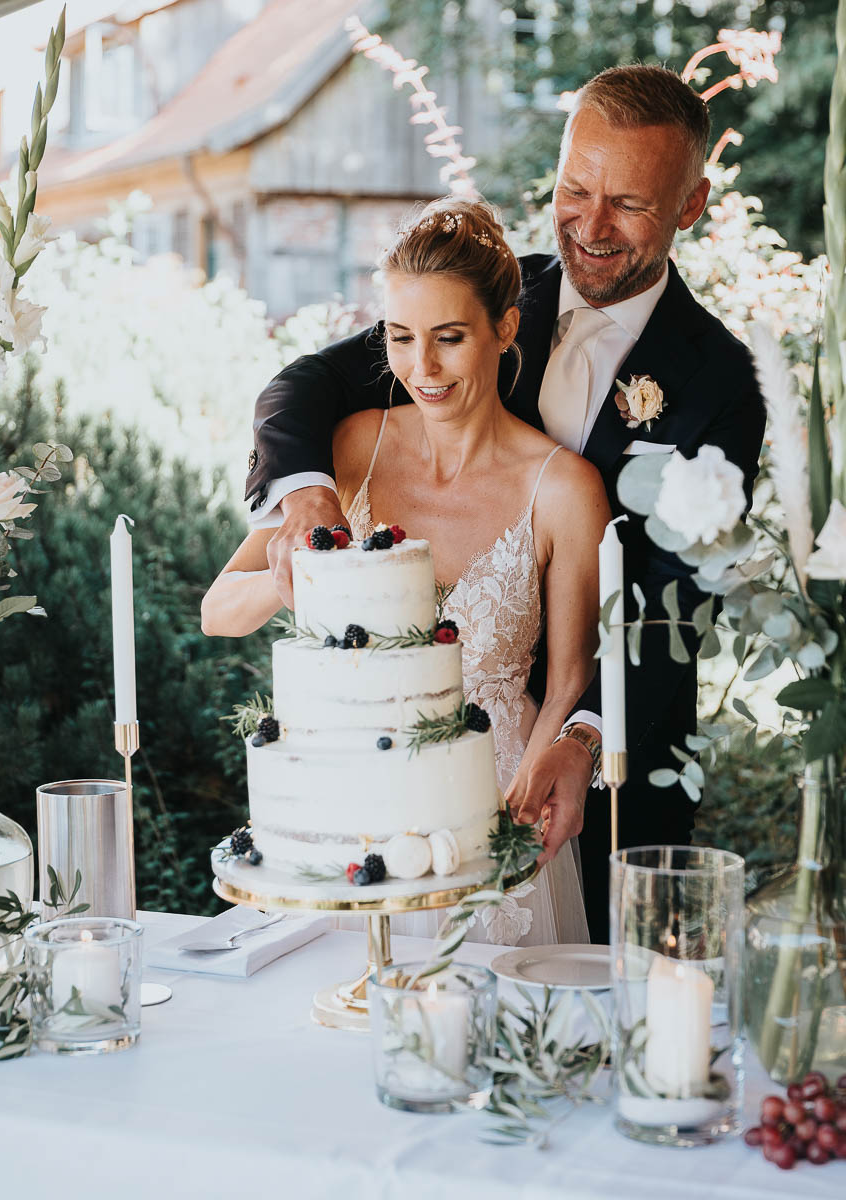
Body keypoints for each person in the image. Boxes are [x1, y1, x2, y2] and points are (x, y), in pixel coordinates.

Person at [239, 65, 767, 941]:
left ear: (691, 204)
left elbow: (674, 603)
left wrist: (584, 733)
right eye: (574, 190)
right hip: (410, 765)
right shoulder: (486, 302)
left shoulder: (723, 384)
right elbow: (302, 388)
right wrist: (304, 497)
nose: (591, 227)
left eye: (629, 204)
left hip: (604, 768)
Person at [203, 196, 605, 946]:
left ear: (506, 327)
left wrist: (518, 809)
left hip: (490, 808)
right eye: (400, 338)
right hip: (344, 808)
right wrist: (285, 579)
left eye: (450, 338)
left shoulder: (563, 487)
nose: (423, 368)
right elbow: (218, 608)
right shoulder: (354, 449)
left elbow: (571, 677)